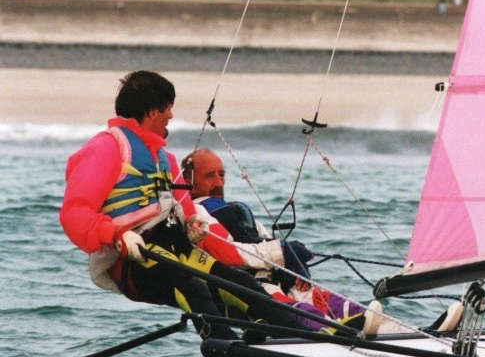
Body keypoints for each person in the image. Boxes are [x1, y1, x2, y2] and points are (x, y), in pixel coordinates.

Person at [59, 70, 318, 340]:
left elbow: (188, 212)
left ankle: (306, 337)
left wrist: (194, 224)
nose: (171, 116)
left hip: (178, 249)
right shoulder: (107, 148)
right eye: (168, 109)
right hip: (134, 261)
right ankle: (226, 347)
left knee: (241, 283)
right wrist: (117, 234)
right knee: (193, 287)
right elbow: (73, 214)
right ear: (153, 111)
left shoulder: (166, 159)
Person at [179, 149, 384, 334]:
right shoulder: (196, 212)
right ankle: (335, 332)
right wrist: (283, 252)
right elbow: (228, 254)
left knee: (336, 303)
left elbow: (263, 240)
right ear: (188, 180)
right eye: (209, 176)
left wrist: (295, 267)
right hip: (251, 288)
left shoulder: (236, 210)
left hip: (276, 279)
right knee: (302, 311)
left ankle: (380, 328)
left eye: (222, 175)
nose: (218, 182)